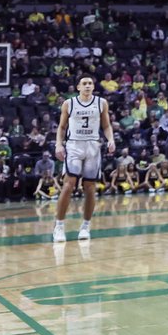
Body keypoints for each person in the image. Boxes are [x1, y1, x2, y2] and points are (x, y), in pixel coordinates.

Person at [53, 75, 116, 242]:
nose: (88, 86)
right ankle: (59, 226)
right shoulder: (69, 103)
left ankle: (86, 226)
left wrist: (111, 140)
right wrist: (58, 145)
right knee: (68, 185)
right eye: (84, 83)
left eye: (90, 83)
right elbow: (61, 127)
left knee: (90, 188)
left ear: (93, 87)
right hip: (74, 145)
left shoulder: (101, 103)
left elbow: (106, 126)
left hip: (93, 146)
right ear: (78, 87)